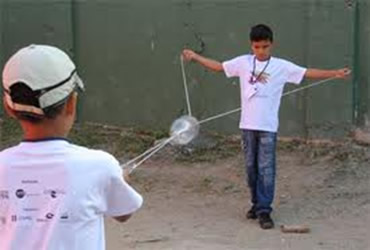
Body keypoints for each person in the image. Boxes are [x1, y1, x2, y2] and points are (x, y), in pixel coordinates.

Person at [182, 24, 350, 229]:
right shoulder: (243, 63)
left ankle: (264, 210)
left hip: (268, 127)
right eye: (257, 47)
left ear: (271, 45)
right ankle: (256, 204)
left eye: (265, 46)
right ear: (251, 46)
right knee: (251, 169)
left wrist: (334, 73)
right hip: (247, 126)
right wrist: (196, 57)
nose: (261, 51)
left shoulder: (281, 66)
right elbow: (219, 67)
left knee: (266, 169)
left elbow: (306, 72)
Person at [0, 44, 143, 249]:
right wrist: (119, 179)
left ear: (9, 108)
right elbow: (123, 213)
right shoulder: (100, 165)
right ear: (71, 104)